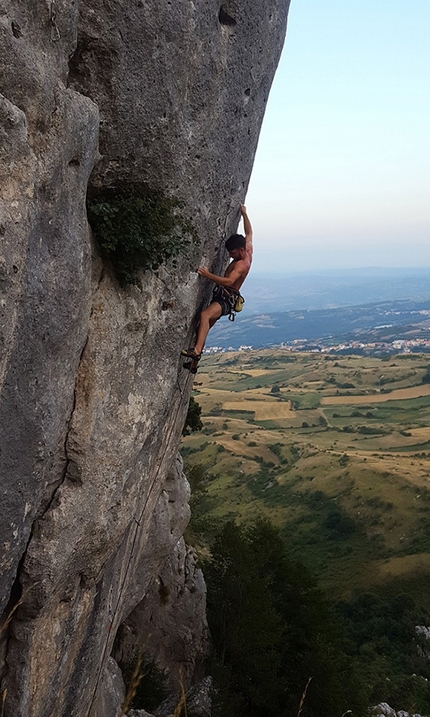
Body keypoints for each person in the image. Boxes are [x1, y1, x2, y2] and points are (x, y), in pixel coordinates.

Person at [182, 204, 253, 361]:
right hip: (225, 297)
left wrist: (208, 275)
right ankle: (193, 363)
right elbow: (249, 232)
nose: (230, 255)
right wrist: (244, 214)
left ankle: (197, 351)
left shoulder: (241, 265)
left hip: (226, 299)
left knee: (205, 315)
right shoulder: (247, 250)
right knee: (203, 327)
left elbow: (228, 281)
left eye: (232, 252)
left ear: (240, 250)